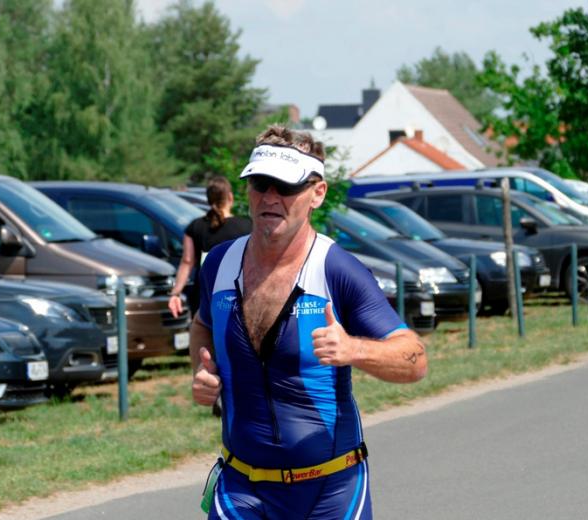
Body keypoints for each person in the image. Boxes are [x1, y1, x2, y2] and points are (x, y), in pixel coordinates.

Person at [191, 125, 427, 519]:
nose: (270, 197)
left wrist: (353, 349)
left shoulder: (337, 270)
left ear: (317, 193)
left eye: (286, 186)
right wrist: (202, 369)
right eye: (260, 184)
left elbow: (415, 359)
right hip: (240, 487)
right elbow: (201, 325)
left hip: (330, 490)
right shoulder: (219, 264)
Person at [168, 176, 252, 318]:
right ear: (230, 197)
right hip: (235, 297)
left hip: (203, 296)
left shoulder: (195, 227)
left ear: (208, 200)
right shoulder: (247, 226)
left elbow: (187, 261)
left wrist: (175, 293)